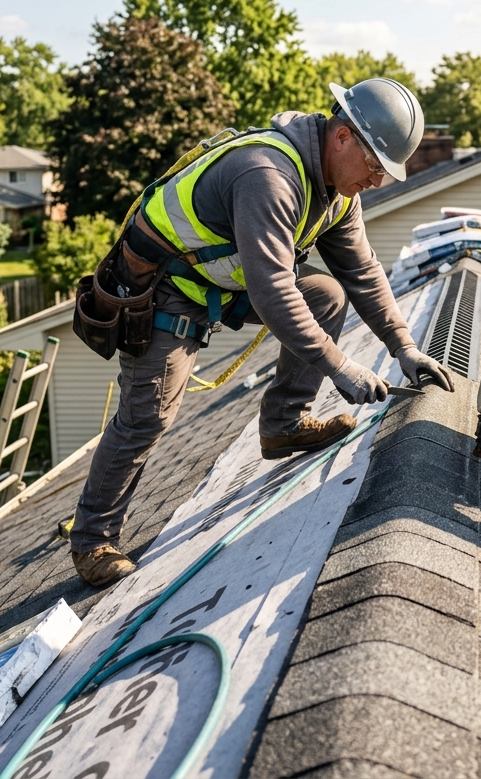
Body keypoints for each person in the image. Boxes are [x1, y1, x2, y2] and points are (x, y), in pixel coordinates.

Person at [70, 78, 453, 587]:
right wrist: (338, 365)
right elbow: (272, 290)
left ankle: (283, 425)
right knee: (149, 415)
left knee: (327, 294)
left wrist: (403, 345)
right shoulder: (268, 174)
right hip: (166, 286)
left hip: (224, 279)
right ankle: (92, 538)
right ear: (342, 137)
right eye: (376, 166)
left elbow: (362, 271)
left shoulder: (338, 193)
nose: (378, 182)